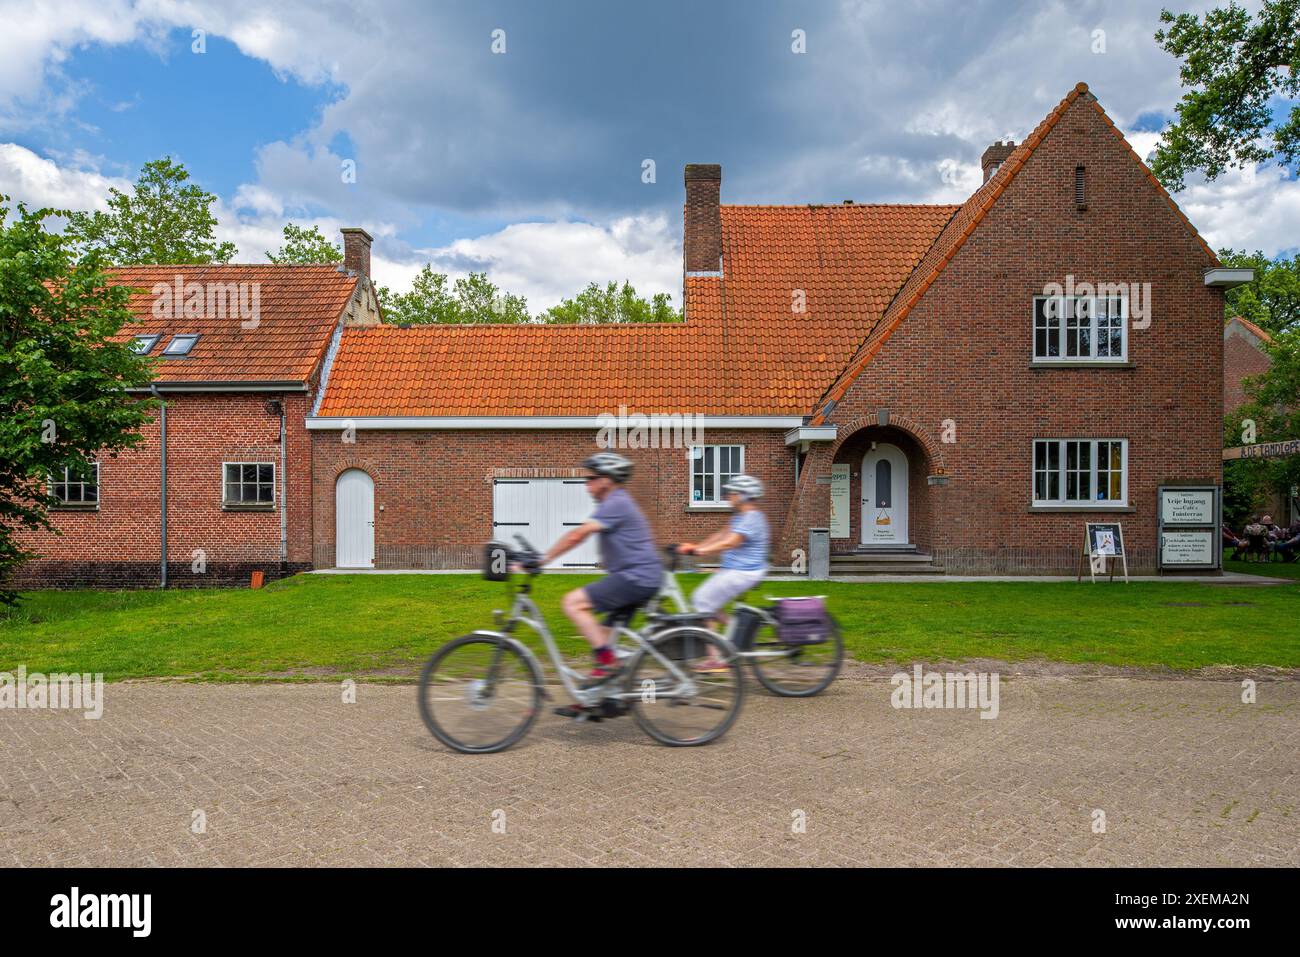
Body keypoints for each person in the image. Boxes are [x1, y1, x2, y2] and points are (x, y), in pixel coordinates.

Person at [534, 452, 662, 694]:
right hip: (639, 577)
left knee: (573, 603)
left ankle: (609, 666)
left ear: (607, 480)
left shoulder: (617, 502)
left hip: (637, 577)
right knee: (602, 636)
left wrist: (542, 560)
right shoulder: (614, 503)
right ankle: (602, 696)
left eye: (591, 478)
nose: (586, 484)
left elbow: (578, 534)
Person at [678, 475, 770, 669]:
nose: (729, 495)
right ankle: (733, 631)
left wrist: (701, 551)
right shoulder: (740, 516)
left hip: (745, 571)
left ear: (744, 496)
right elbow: (720, 535)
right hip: (736, 570)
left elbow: (731, 542)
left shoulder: (752, 517)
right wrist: (695, 547)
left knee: (702, 599)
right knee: (704, 600)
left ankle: (716, 658)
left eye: (733, 492)